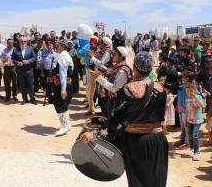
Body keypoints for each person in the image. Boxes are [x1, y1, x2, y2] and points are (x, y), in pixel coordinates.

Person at [82, 51, 169, 187]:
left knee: (137, 182)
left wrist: (94, 134)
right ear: (151, 69)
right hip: (158, 141)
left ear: (134, 68)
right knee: (157, 181)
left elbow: (115, 125)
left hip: (136, 144)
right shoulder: (161, 89)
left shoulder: (128, 90)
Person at [88, 46, 131, 118]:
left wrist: (98, 77)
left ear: (121, 56)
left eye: (115, 54)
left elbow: (114, 88)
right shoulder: (116, 66)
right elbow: (108, 71)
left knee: (115, 118)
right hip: (113, 98)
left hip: (119, 100)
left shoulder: (122, 70)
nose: (112, 56)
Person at [52, 40, 73, 136]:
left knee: (59, 105)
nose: (57, 47)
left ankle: (63, 127)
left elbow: (63, 74)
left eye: (58, 45)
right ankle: (67, 125)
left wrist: (63, 89)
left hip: (62, 84)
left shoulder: (63, 57)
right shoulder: (64, 56)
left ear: (63, 47)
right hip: (63, 83)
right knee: (63, 105)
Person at [183, 83, 206, 160]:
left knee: (194, 135)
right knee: (189, 136)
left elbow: (203, 106)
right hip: (190, 120)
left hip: (197, 120)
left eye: (191, 91)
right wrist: (185, 120)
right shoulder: (187, 99)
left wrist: (195, 97)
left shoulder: (199, 97)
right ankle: (192, 150)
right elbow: (186, 110)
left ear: (195, 91)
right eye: (187, 91)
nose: (189, 93)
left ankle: (197, 152)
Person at [12, 36, 37, 105]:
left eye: (24, 41)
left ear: (27, 41)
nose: (23, 42)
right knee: (22, 85)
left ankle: (32, 99)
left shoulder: (30, 48)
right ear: (19, 42)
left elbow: (34, 57)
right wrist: (17, 63)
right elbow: (13, 59)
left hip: (29, 70)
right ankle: (24, 99)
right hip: (20, 70)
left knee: (31, 85)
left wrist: (28, 61)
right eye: (21, 41)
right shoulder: (15, 49)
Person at [42, 40, 57, 104]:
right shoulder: (44, 53)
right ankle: (49, 99)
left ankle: (54, 99)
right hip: (46, 71)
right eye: (48, 45)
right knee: (47, 85)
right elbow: (42, 64)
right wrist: (42, 72)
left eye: (50, 45)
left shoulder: (56, 53)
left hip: (53, 71)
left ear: (52, 46)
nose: (49, 46)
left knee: (53, 85)